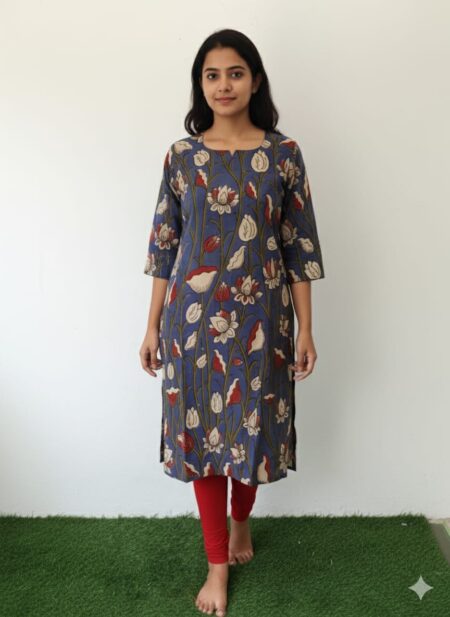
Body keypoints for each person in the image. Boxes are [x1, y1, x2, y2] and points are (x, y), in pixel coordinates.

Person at [139, 28, 325, 617]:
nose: (224, 85)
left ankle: (241, 520)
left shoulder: (284, 155)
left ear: (256, 80)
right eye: (212, 75)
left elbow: (299, 247)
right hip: (190, 326)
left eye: (236, 73)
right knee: (202, 438)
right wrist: (151, 327)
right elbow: (164, 246)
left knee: (252, 431)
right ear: (201, 84)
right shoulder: (182, 156)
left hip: (262, 320)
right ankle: (216, 565)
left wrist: (306, 329)